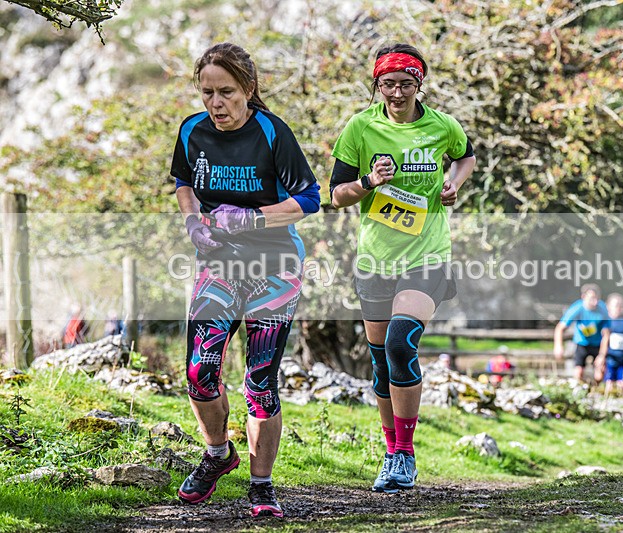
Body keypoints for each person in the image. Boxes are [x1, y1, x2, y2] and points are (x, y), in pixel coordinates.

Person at [171, 43, 320, 517]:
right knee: (199, 372)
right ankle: (218, 454)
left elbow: (311, 199)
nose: (216, 103)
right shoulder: (192, 130)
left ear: (248, 90)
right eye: (207, 92)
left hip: (275, 269)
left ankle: (261, 486)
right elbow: (184, 182)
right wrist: (193, 220)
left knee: (259, 379)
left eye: (227, 92)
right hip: (219, 265)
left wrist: (251, 220)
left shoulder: (273, 133)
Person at [329, 43, 476, 493]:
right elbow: (336, 194)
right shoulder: (360, 127)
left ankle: (405, 455)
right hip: (376, 258)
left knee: (398, 343)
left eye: (406, 83)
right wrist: (370, 181)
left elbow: (467, 155)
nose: (397, 92)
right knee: (379, 363)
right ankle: (391, 451)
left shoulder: (440, 126)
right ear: (377, 85)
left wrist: (454, 182)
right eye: (388, 84)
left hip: (427, 255)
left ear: (419, 85)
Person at [553, 284, 610, 383]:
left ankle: (596, 391)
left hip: (597, 343)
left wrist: (602, 355)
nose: (595, 302)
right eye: (592, 298)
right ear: (583, 297)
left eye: (597, 299)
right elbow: (560, 328)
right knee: (578, 372)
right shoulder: (577, 308)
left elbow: (606, 334)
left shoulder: (602, 309)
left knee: (599, 374)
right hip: (582, 343)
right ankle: (580, 391)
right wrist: (558, 346)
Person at [599, 293, 623, 394]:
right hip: (609, 357)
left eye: (621, 305)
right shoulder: (605, 320)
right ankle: (608, 403)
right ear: (608, 306)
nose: (619, 308)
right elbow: (602, 338)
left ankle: (621, 403)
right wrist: (601, 356)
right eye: (616, 305)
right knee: (609, 382)